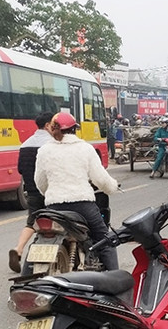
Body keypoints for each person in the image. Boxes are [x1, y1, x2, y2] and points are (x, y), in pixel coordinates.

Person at [34, 112, 120, 270]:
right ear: (74, 129)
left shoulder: (44, 150)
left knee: (37, 241)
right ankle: (118, 284)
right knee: (105, 240)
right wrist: (113, 187)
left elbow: (40, 183)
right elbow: (101, 180)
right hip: (83, 205)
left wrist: (53, 193)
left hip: (54, 208)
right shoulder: (85, 148)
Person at [9, 111, 54, 273]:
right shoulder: (52, 144)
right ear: (48, 125)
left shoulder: (26, 144)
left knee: (31, 223)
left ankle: (19, 248)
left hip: (33, 192)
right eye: (54, 124)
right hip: (53, 194)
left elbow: (21, 169)